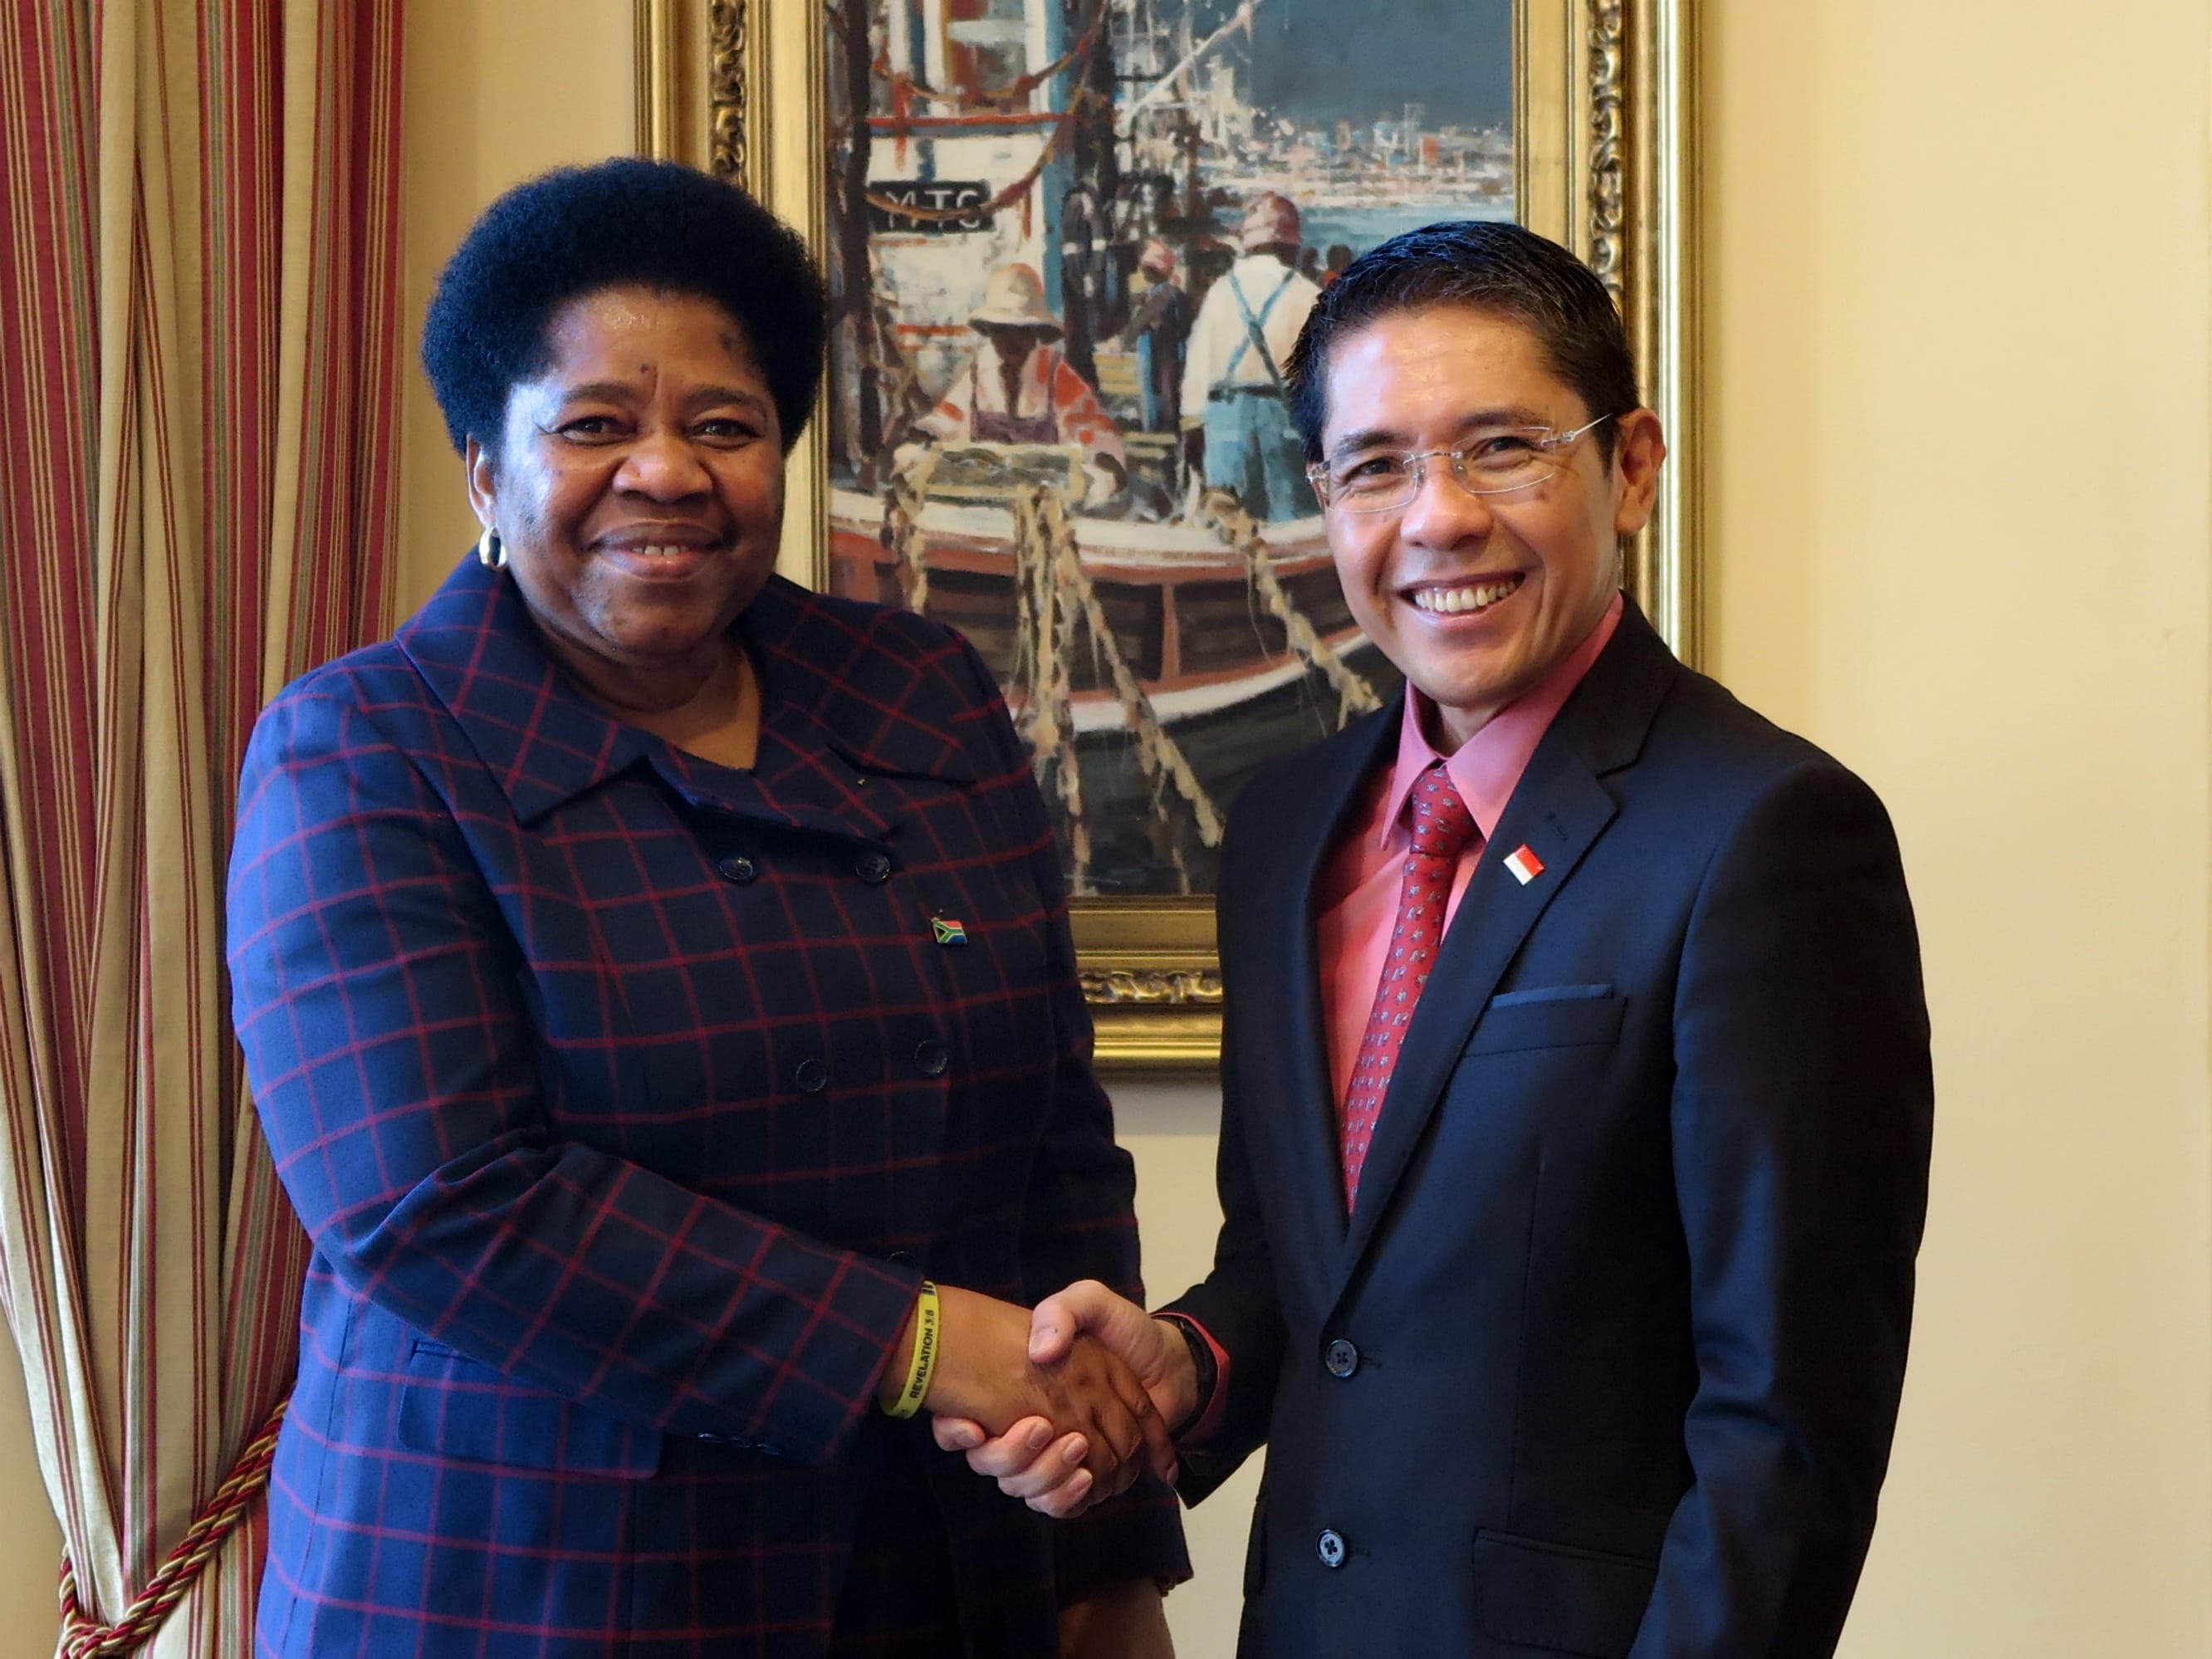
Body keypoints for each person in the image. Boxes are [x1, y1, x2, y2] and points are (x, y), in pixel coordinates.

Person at [226, 158, 1185, 1659]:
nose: (665, 471)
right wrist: (920, 1341)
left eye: (722, 427)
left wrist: (1108, 1545)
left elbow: (1052, 1147)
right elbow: (442, 1208)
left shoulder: (919, 694)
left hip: (930, 1572)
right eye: (596, 423)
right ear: (486, 465)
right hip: (530, 1591)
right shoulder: (366, 747)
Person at [941, 220, 1934, 1656]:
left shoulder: (1764, 833)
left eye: (1500, 447)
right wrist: (1185, 1364)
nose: (1436, 516)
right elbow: (1307, 1272)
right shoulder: (1285, 830)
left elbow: (1787, 1422)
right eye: (1373, 464)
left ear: (1630, 466)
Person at [918, 262, 1127, 507]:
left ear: (1036, 333)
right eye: (1002, 330)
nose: (1012, 341)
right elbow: (949, 421)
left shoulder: (1056, 375)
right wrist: (925, 433)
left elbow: (1093, 430)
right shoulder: (978, 373)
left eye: (1021, 330)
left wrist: (1106, 462)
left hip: (1045, 507)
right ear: (990, 331)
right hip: (984, 506)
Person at [1178, 192, 1322, 520]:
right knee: (1293, 524)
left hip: (1225, 420)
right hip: (1285, 421)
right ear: (1291, 244)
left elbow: (1197, 368)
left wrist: (1192, 425)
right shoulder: (1307, 294)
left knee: (1230, 526)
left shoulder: (1221, 291)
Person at [1116, 239, 1191, 436]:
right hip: (1170, 352)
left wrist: (1122, 342)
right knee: (1166, 393)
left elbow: (1143, 320)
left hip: (1158, 352)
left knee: (1157, 394)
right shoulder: (1172, 294)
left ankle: (1157, 432)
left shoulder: (1164, 294)